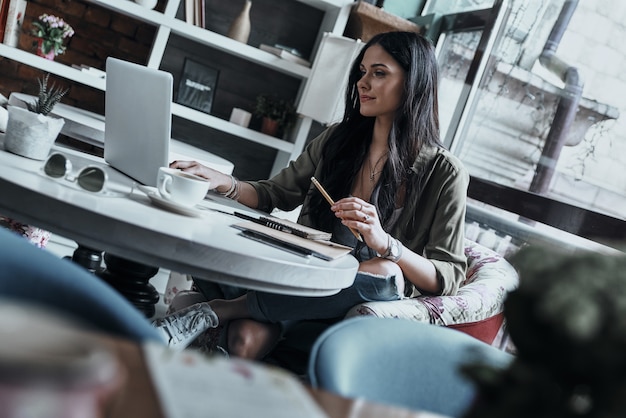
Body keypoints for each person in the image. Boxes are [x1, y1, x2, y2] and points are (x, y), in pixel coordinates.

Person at [153, 31, 469, 360]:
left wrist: (386, 244)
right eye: (362, 72)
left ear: (413, 82)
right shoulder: (337, 139)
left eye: (379, 73)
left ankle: (221, 308)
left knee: (386, 274)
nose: (363, 83)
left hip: (352, 309)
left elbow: (447, 277)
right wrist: (225, 183)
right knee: (245, 336)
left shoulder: (445, 173)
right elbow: (274, 194)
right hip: (297, 285)